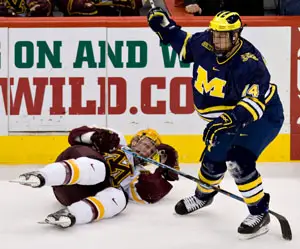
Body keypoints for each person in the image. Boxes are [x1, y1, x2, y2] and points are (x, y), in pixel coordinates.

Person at [147, 9, 284, 239]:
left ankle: (260, 212)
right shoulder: (205, 42)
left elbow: (254, 102)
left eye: (224, 35)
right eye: (215, 33)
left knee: (238, 159)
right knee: (212, 158)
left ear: (236, 35)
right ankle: (204, 196)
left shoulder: (249, 62)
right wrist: (165, 27)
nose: (217, 39)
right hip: (227, 117)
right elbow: (184, 44)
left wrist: (229, 120)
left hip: (261, 116)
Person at [13, 126, 180, 228]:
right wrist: (95, 136)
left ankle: (73, 215)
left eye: (151, 151)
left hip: (73, 196)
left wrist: (163, 171)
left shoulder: (136, 175)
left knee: (120, 198)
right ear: (135, 140)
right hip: (71, 163)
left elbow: (148, 195)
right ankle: (43, 175)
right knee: (100, 169)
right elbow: (74, 135)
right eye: (145, 144)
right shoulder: (117, 139)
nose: (146, 151)